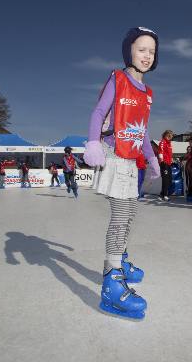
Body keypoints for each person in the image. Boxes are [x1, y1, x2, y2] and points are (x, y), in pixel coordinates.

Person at [84, 27, 161, 320]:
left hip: (132, 160)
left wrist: (151, 158)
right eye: (141, 49)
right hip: (114, 154)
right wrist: (93, 140)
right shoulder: (118, 78)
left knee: (130, 213)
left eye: (151, 52)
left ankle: (121, 260)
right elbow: (98, 111)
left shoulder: (148, 92)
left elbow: (142, 132)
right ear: (129, 50)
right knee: (119, 215)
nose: (146, 55)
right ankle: (112, 283)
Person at [158, 130, 174, 201]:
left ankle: (162, 194)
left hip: (168, 163)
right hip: (164, 163)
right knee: (165, 180)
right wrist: (162, 161)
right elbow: (160, 151)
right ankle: (165, 195)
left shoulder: (169, 143)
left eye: (171, 136)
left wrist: (172, 159)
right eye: (168, 135)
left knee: (169, 179)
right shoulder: (162, 142)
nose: (169, 137)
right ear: (165, 135)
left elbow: (169, 153)